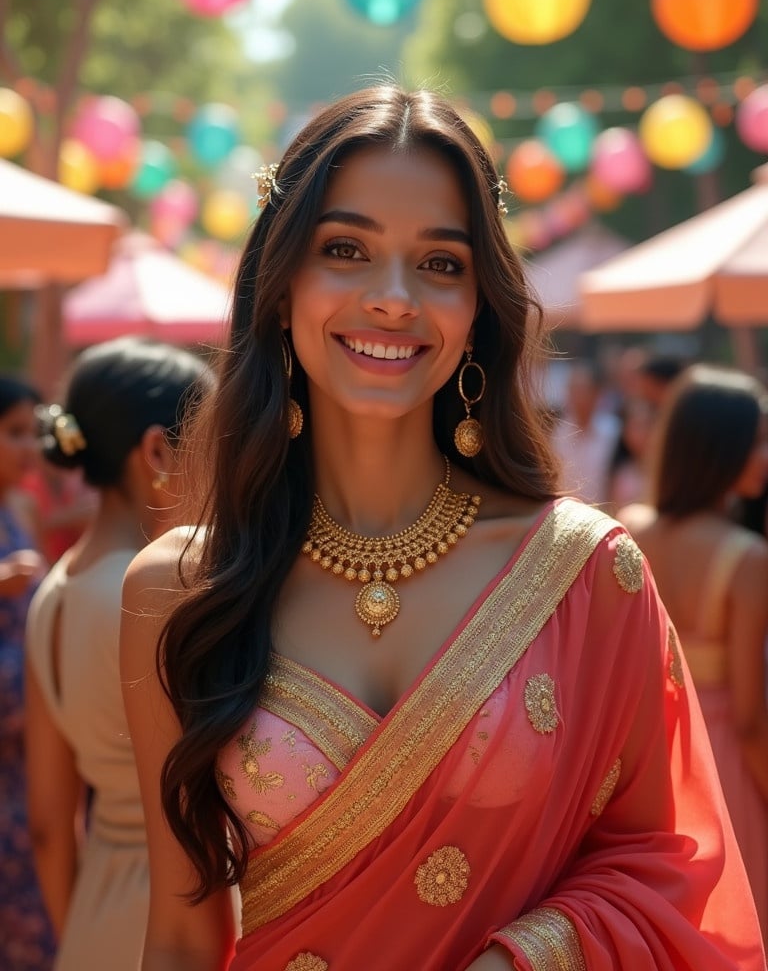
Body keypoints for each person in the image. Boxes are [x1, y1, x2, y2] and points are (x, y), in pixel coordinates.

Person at [120, 86, 764, 971]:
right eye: (345, 250)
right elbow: (183, 938)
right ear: (278, 289)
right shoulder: (177, 591)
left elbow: (671, 872)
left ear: (477, 311)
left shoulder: (581, 576)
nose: (393, 298)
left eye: (440, 263)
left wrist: (523, 960)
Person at [24, 338, 214, 971]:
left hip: (93, 923)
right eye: (214, 449)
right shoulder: (158, 602)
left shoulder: (53, 592)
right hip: (183, 921)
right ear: (158, 452)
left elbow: (50, 825)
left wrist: (81, 936)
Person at [621, 364, 768, 948]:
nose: (765, 454)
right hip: (725, 765)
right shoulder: (747, 558)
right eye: (757, 439)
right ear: (721, 450)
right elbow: (752, 716)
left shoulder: (628, 530)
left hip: (651, 765)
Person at [0, 374, 56, 970]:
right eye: (13, 433)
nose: (27, 449)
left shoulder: (17, 508)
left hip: (22, 751)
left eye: (31, 434)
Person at [550, 359, 619, 507]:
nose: (578, 397)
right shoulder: (554, 432)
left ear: (597, 393)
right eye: (573, 390)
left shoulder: (614, 432)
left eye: (583, 390)